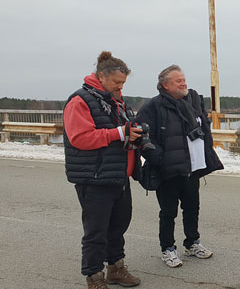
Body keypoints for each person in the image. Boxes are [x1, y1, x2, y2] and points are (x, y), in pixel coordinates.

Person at [63, 51, 142, 289]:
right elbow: (80, 138)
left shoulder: (115, 101)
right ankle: (94, 277)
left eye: (123, 83)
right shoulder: (80, 100)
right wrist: (119, 133)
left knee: (118, 227)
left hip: (118, 176)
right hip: (94, 178)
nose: (121, 87)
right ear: (101, 77)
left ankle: (116, 269)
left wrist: (134, 136)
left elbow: (123, 131)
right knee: (96, 231)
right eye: (117, 82)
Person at [135, 65, 224, 268]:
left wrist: (206, 153)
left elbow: (204, 130)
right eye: (178, 81)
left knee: (192, 208)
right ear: (165, 85)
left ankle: (192, 243)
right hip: (168, 170)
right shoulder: (154, 107)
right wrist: (160, 159)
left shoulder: (193, 102)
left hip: (191, 168)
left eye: (184, 79)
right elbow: (141, 136)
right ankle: (167, 248)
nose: (184, 83)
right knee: (168, 212)